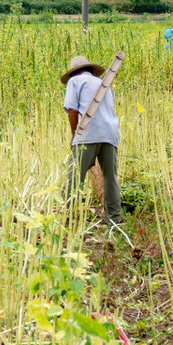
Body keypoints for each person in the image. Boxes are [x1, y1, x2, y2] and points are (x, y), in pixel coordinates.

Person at [62, 55, 122, 225]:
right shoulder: (103, 84)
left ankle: (66, 217)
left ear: (74, 72)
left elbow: (72, 110)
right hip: (110, 133)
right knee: (110, 177)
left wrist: (75, 135)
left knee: (75, 176)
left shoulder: (74, 81)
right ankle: (114, 219)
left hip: (88, 132)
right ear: (90, 70)